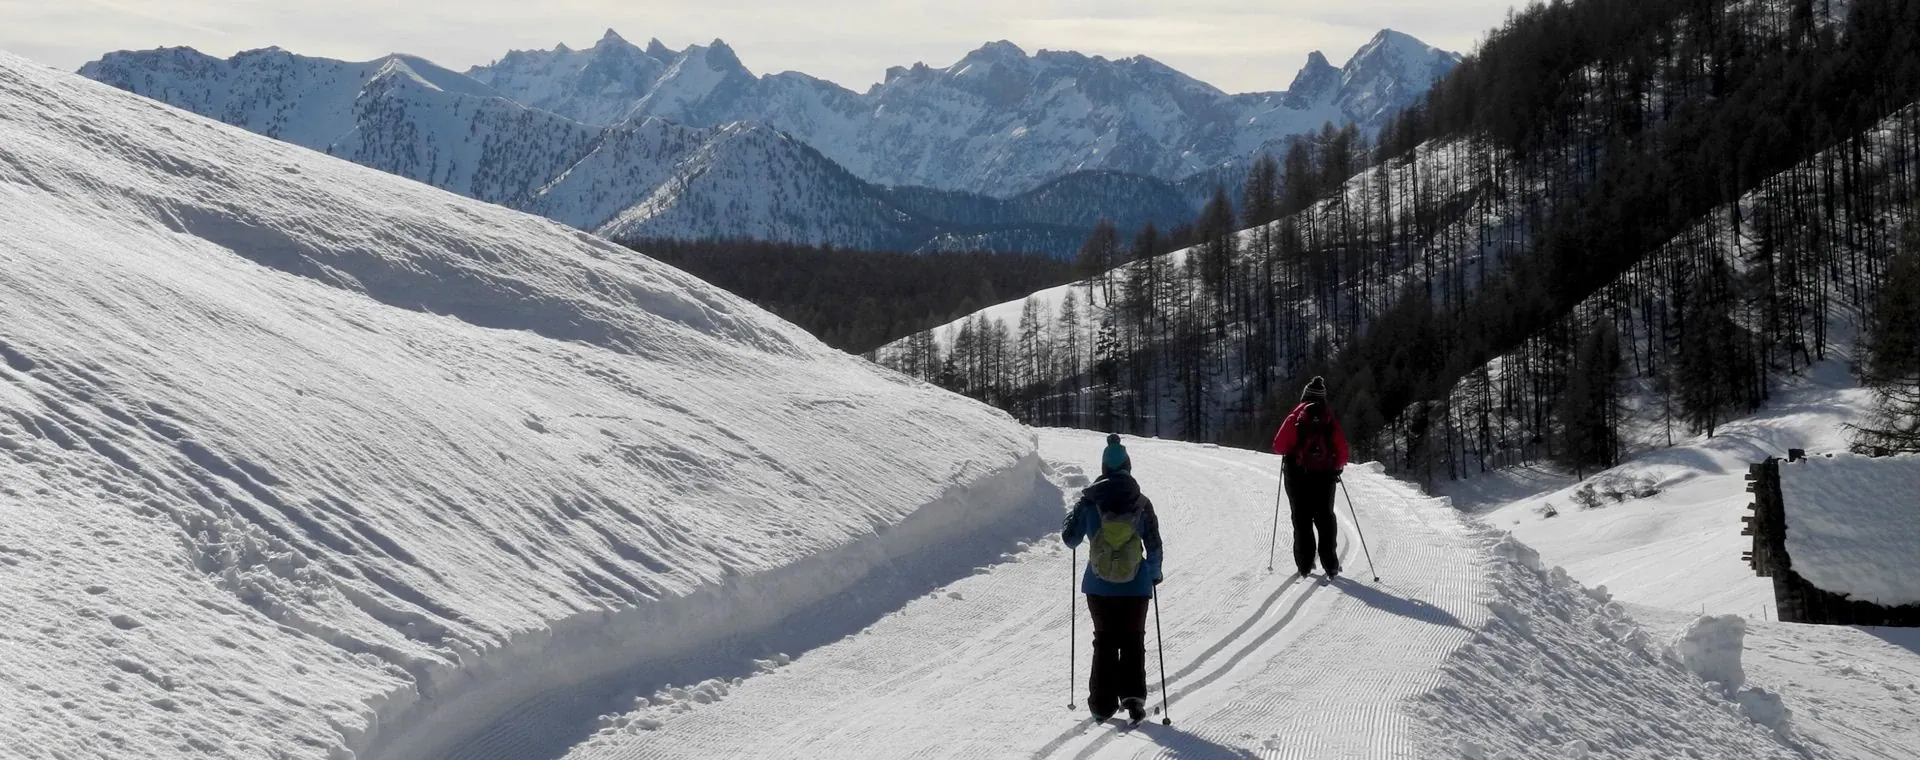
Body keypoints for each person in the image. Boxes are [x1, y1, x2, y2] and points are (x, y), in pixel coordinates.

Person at [1061, 470, 1163, 723]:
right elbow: (1154, 545)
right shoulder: (1140, 502)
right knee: (1133, 640)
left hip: (1098, 586)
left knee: (1104, 641)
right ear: (1127, 468)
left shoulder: (1090, 502)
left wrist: (1075, 512)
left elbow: (1070, 539)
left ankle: (1101, 706)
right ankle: (1133, 699)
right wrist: (1153, 574)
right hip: (1135, 586)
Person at [1271, 376, 1350, 577]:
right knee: (1325, 518)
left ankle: (1305, 565)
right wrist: (1336, 466)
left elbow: (1278, 446)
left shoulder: (1295, 416)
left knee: (1301, 519)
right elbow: (1342, 449)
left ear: (1304, 395)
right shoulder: (1329, 418)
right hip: (1325, 476)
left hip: (1297, 476)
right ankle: (1330, 564)